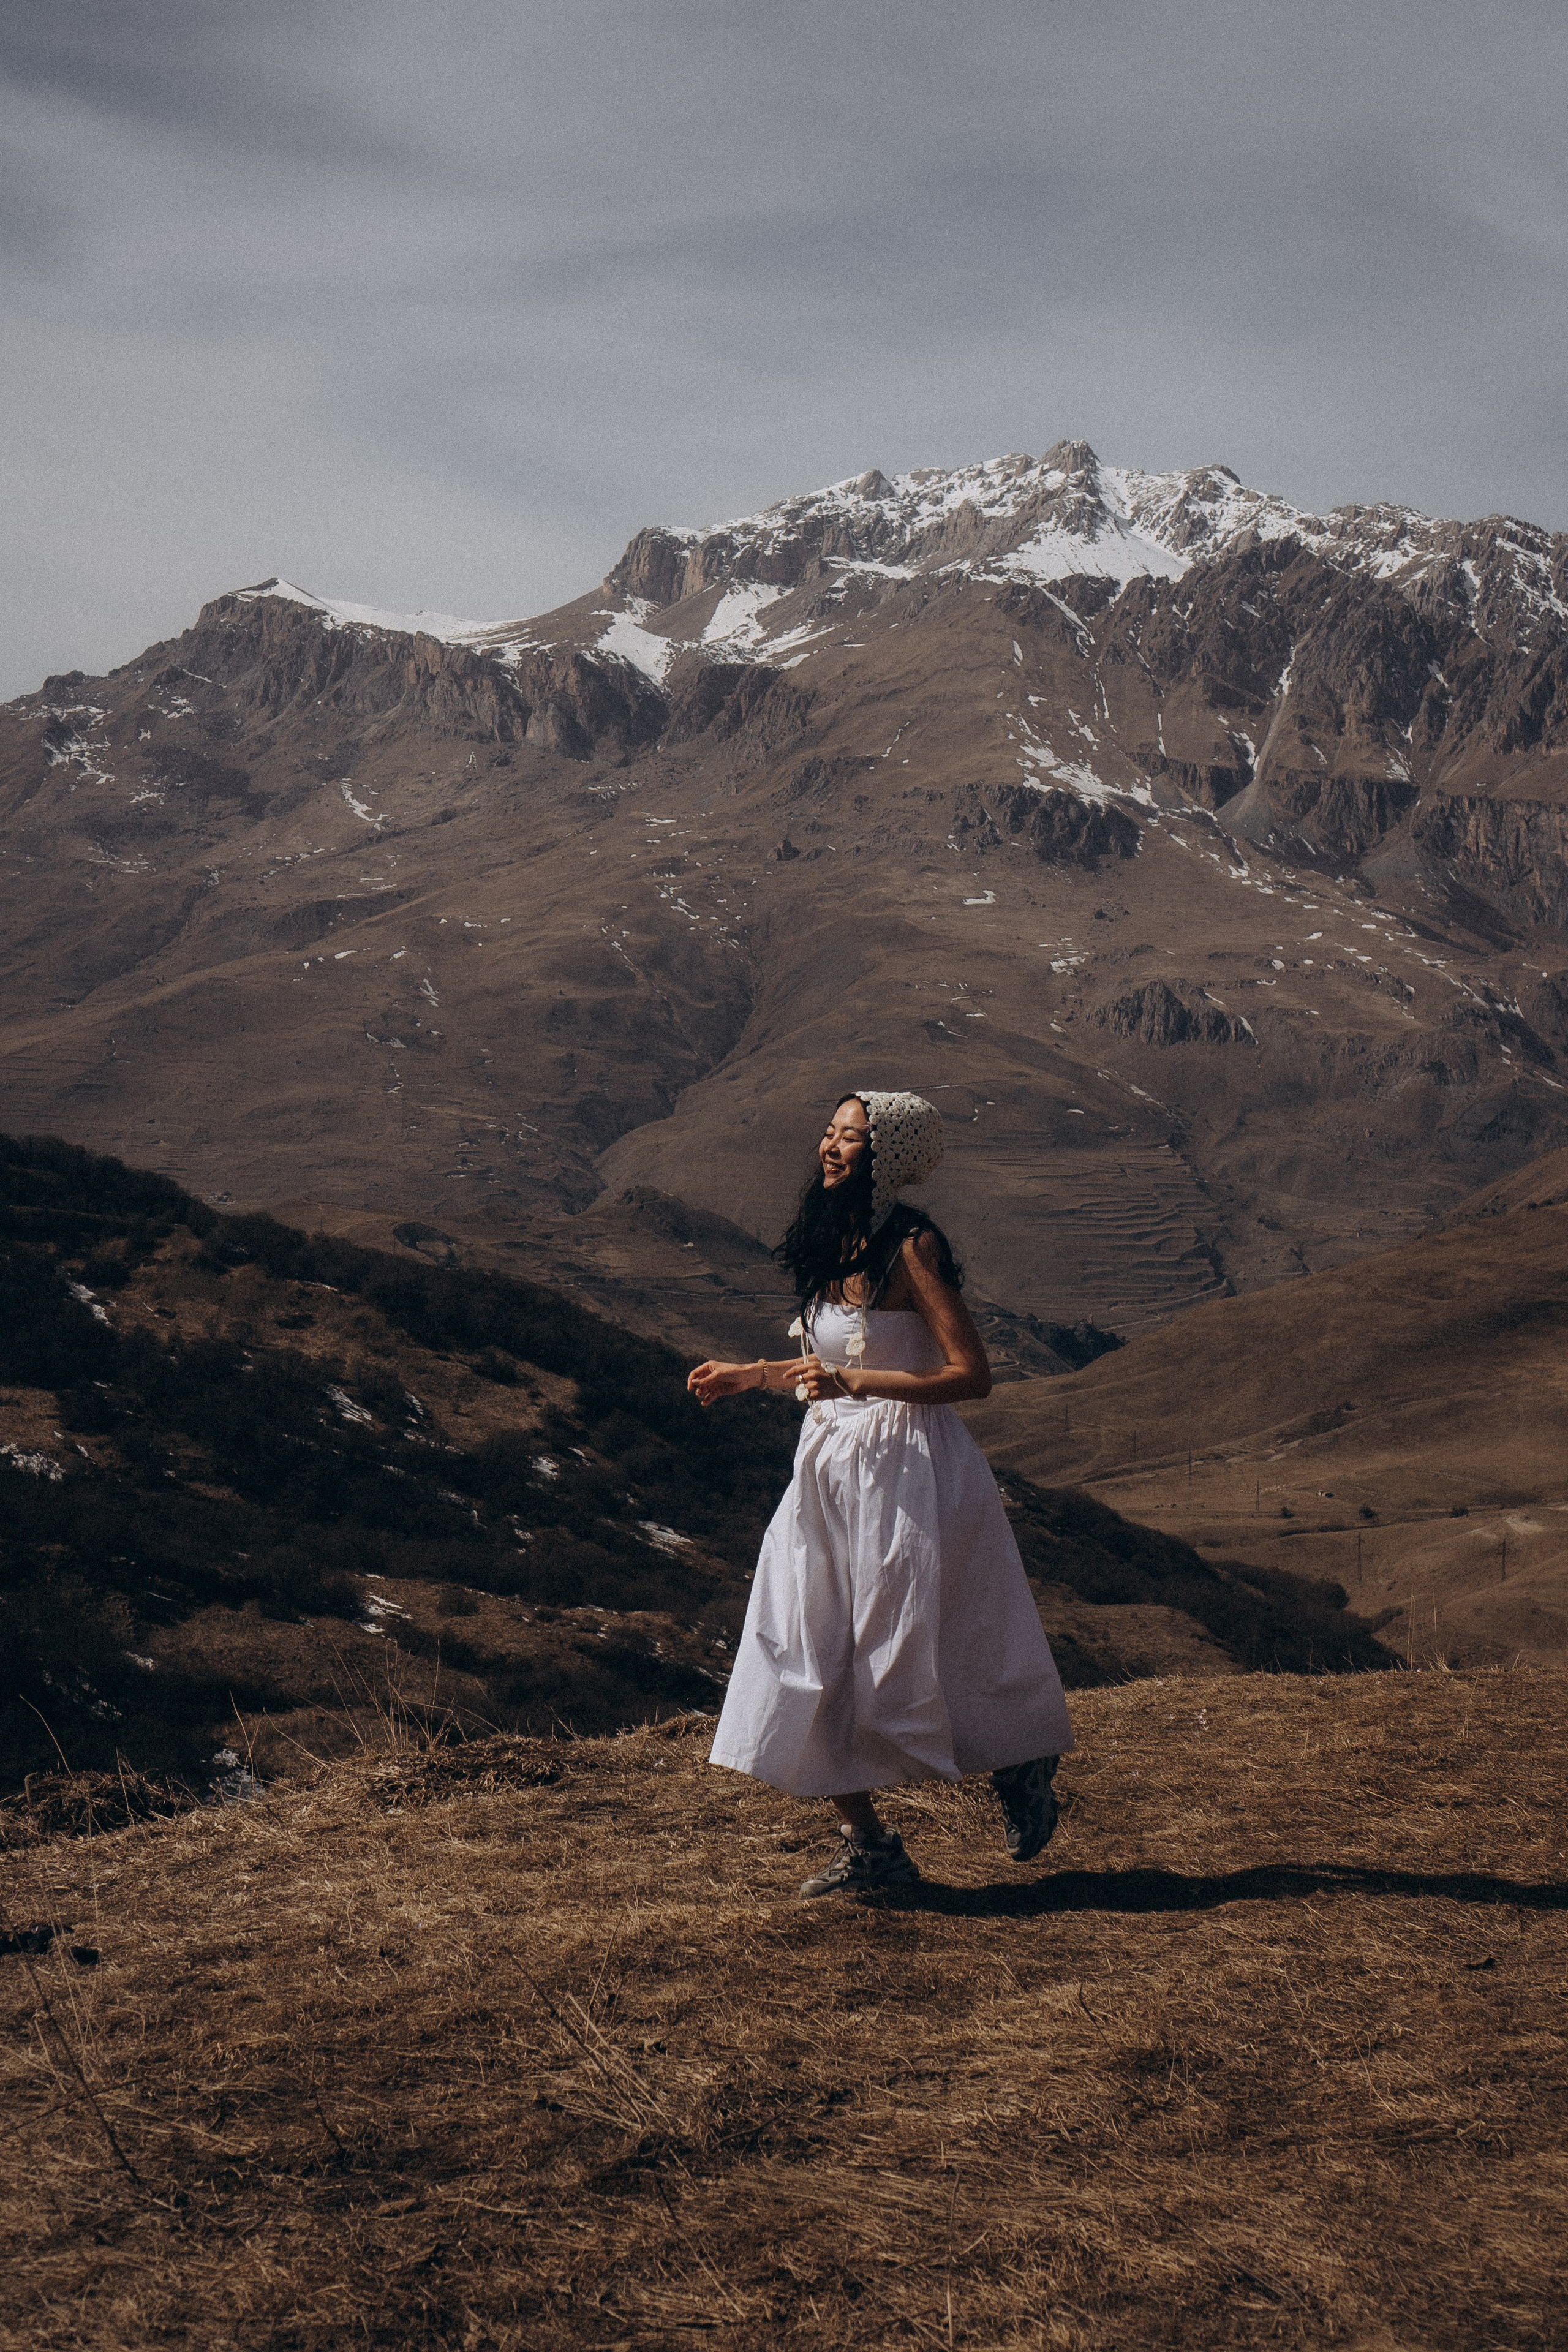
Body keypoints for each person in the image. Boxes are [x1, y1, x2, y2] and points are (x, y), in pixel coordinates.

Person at [687, 1088, 1074, 1897]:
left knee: (920, 1645)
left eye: (852, 1139)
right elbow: (820, 1361)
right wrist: (751, 1374)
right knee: (804, 1641)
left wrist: (851, 1382)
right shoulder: (835, 1238)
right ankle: (870, 1846)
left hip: (910, 1470)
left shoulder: (911, 1251)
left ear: (887, 1156)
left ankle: (1022, 1760)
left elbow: (972, 1375)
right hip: (830, 1464)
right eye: (828, 1132)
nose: (831, 1148)